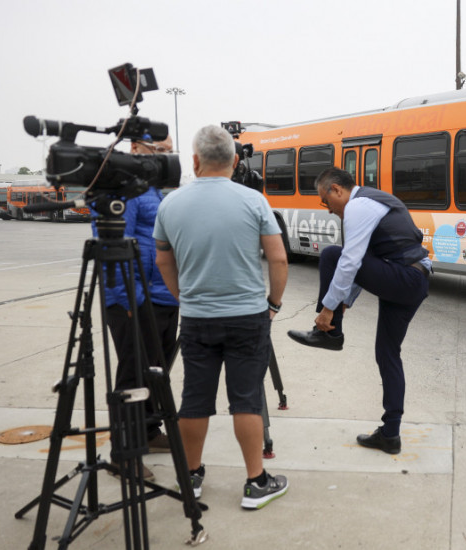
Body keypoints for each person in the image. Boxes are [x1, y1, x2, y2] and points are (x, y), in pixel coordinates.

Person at [153, 125, 290, 510]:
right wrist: (273, 305)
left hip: (197, 318)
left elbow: (163, 259)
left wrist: (186, 298)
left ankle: (191, 477)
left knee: (194, 399)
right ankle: (255, 482)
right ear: (234, 161)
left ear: (194, 161)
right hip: (248, 316)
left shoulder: (170, 204)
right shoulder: (254, 201)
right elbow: (278, 259)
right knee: (246, 400)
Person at [287, 167, 430, 455]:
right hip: (413, 278)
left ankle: (328, 333)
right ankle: (390, 434)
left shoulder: (358, 206)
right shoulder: (374, 201)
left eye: (325, 202)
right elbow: (369, 260)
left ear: (337, 190)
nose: (328, 210)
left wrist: (328, 310)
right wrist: (345, 301)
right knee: (387, 354)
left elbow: (351, 261)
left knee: (331, 254)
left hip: (405, 277)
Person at [93, 136, 178, 482]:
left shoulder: (154, 189)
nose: (164, 156)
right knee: (133, 373)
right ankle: (123, 451)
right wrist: (127, 301)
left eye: (167, 150)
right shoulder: (123, 190)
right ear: (136, 149)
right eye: (159, 150)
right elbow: (112, 246)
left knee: (156, 371)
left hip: (163, 297)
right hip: (133, 300)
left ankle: (148, 430)